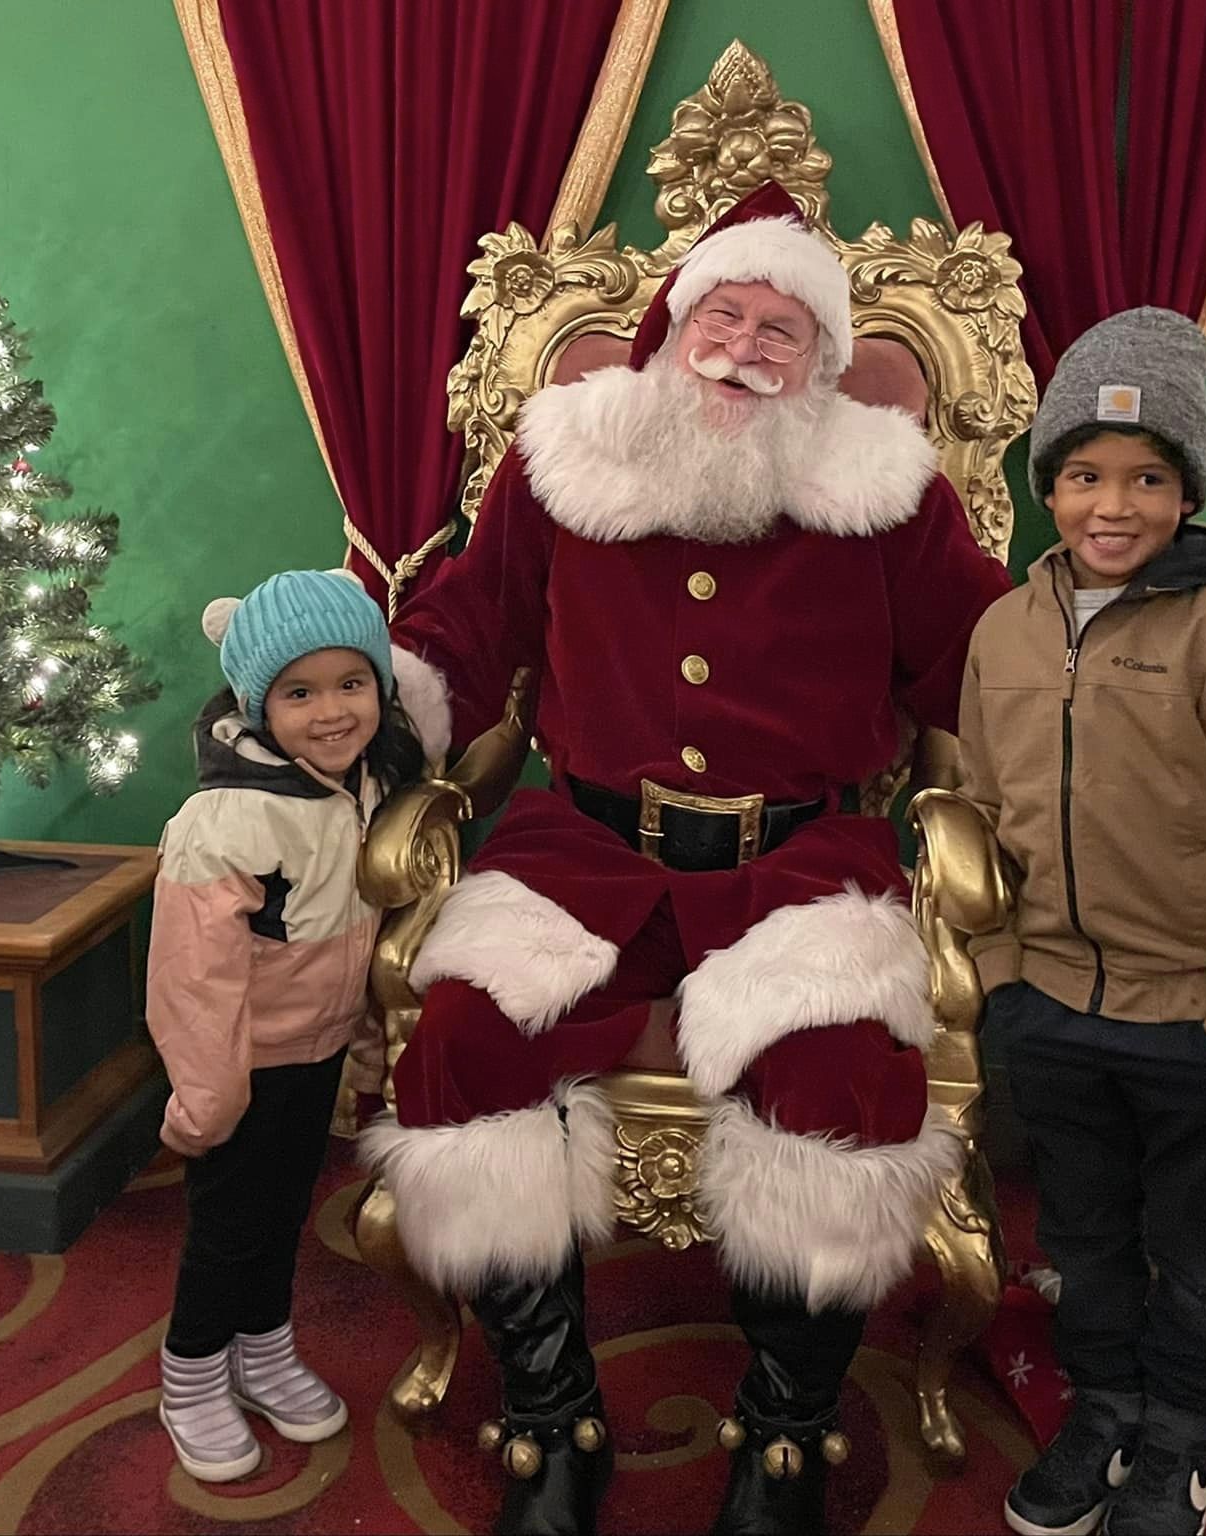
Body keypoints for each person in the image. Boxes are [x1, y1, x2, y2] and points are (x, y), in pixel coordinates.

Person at [361, 181, 1011, 1534]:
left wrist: (1125, 680)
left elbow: (988, 659)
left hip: (803, 863)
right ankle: (554, 1417)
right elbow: (468, 626)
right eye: (727, 310)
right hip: (585, 846)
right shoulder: (566, 463)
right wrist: (370, 708)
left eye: (786, 328)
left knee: (845, 1080)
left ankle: (783, 1437)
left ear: (824, 364)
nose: (748, 345)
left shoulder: (887, 495)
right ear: (672, 321)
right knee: (466, 1035)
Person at [958, 308, 1206, 1536]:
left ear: (1184, 491)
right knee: (1081, 1233)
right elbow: (977, 804)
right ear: (1046, 486)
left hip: (1192, 1014)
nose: (1109, 505)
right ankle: (1103, 1408)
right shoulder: (1003, 630)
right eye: (1080, 475)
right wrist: (1006, 969)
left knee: (1198, 1251)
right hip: (1051, 1005)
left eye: (1145, 477)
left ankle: (1180, 1435)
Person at [148, 567, 422, 1483]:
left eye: (352, 683)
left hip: (317, 1050)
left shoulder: (369, 783)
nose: (332, 711)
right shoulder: (226, 818)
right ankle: (190, 1373)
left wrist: (367, 1049)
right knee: (228, 1225)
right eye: (299, 693)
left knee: (283, 1213)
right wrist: (208, 1095)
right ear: (258, 702)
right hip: (240, 1063)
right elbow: (192, 975)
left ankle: (262, 1348)